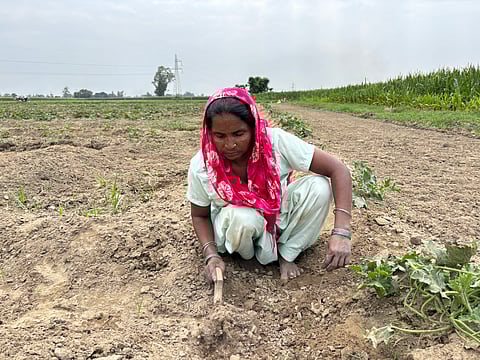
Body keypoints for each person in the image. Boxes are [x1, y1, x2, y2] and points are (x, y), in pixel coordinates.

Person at [186, 88, 352, 283]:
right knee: (242, 217)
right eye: (220, 136)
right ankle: (248, 261)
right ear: (209, 133)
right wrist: (211, 255)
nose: (230, 144)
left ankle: (287, 254)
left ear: (254, 127)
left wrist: (342, 232)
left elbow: (339, 170)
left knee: (320, 187)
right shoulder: (203, 165)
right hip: (237, 232)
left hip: (276, 219)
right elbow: (199, 215)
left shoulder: (275, 143)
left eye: (239, 134)